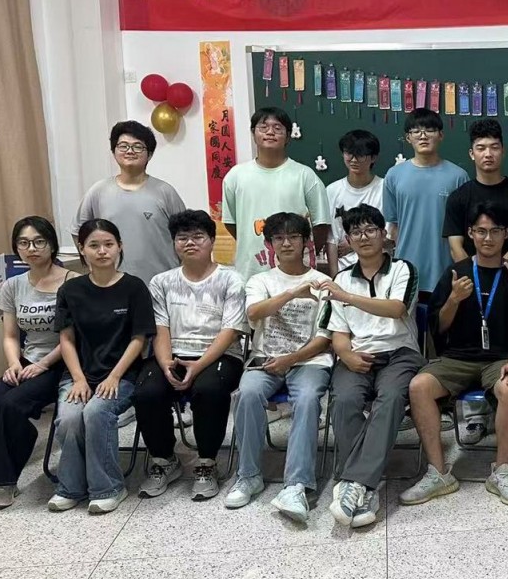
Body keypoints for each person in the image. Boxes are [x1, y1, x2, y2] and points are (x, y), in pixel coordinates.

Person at [402, 204, 508, 508]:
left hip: (500, 358)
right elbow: (437, 327)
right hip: (457, 358)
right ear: (470, 234)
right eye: (481, 231)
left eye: (495, 231)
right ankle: (438, 473)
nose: (488, 238)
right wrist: (453, 300)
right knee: (419, 386)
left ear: (506, 234)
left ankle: (501, 473)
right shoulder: (456, 272)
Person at [0, 217, 75, 511]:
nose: (31, 248)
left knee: (11, 406)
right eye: (24, 243)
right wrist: (13, 364)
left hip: (61, 363)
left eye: (39, 241)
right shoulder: (13, 285)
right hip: (26, 360)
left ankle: (3, 481)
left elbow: (73, 337)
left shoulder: (71, 282)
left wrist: (43, 364)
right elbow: (10, 335)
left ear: (52, 245)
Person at [223, 213, 333, 523]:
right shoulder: (260, 280)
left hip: (309, 361)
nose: (286, 243)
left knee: (308, 399)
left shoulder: (324, 282)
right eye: (279, 238)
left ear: (306, 242)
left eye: (294, 237)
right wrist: (293, 293)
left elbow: (325, 338)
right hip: (264, 359)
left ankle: (296, 486)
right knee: (246, 394)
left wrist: (291, 359)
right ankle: (248, 476)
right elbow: (254, 312)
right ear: (269, 244)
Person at [132, 209, 247, 502]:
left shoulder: (231, 279)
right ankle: (164, 459)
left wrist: (198, 366)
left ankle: (207, 462)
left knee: (209, 389)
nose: (190, 242)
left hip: (220, 354)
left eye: (198, 236)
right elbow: (160, 328)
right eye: (182, 237)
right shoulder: (161, 282)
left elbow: (230, 330)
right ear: (174, 243)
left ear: (212, 240)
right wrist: (165, 364)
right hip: (172, 352)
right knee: (147, 391)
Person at [322, 204, 424, 529]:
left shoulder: (403, 269)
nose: (363, 237)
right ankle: (365, 488)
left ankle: (354, 482)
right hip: (357, 355)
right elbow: (338, 333)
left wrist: (347, 297)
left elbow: (396, 309)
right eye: (356, 232)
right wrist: (346, 355)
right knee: (345, 400)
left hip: (399, 353)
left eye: (370, 230)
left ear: (384, 235)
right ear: (348, 239)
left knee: (390, 399)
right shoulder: (341, 278)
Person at [48, 219, 155, 515]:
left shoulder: (134, 287)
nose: (102, 251)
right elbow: (66, 339)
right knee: (70, 417)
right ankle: (70, 488)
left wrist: (114, 376)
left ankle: (108, 488)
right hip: (79, 374)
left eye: (108, 244)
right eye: (94, 245)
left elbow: (139, 339)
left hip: (123, 374)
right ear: (82, 249)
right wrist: (79, 379)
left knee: (96, 412)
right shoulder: (71, 290)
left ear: (120, 246)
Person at [222, 107, 331, 282]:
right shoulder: (235, 176)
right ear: (253, 133)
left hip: (296, 273)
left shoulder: (305, 175)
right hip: (251, 270)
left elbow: (321, 224)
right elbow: (231, 223)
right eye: (263, 127)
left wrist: (302, 253)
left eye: (277, 128)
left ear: (288, 136)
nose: (270, 132)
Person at [73, 121, 185, 285]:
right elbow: (78, 231)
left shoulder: (165, 192)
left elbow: (185, 235)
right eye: (123, 146)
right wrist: (92, 264)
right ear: (114, 152)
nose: (130, 151)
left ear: (149, 154)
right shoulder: (98, 191)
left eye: (138, 147)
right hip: (112, 285)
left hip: (161, 284)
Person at [382, 109, 469, 297]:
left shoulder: (458, 177)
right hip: (406, 271)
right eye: (416, 131)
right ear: (408, 138)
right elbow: (393, 226)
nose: (423, 136)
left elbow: (464, 228)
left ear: (441, 135)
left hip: (446, 270)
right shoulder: (394, 176)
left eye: (429, 130)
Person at [442, 119, 508, 264]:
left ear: (503, 151)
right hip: (469, 275)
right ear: (472, 154)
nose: (488, 154)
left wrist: (497, 270)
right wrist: (474, 272)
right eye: (481, 148)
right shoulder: (458, 198)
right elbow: (455, 247)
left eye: (494, 147)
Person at [326, 129, 384, 270]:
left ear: (373, 158)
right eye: (349, 153)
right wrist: (335, 277)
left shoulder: (385, 189)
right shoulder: (332, 190)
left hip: (379, 268)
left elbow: (388, 236)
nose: (353, 160)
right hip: (343, 270)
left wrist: (353, 244)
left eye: (360, 155)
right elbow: (331, 238)